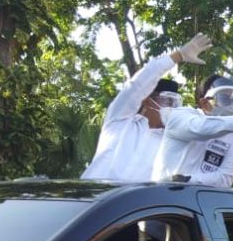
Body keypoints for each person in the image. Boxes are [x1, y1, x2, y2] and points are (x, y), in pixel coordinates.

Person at [82, 34, 213, 182]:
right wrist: (178, 56)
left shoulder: (172, 143)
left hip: (133, 204)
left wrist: (213, 114)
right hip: (86, 198)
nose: (172, 108)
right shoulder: (119, 121)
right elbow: (137, 85)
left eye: (175, 103)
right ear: (146, 100)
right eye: (167, 101)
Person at [151, 75, 233, 187]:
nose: (232, 105)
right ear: (205, 103)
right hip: (163, 197)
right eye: (225, 99)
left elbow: (225, 178)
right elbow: (202, 128)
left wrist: (188, 180)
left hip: (198, 203)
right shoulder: (180, 116)